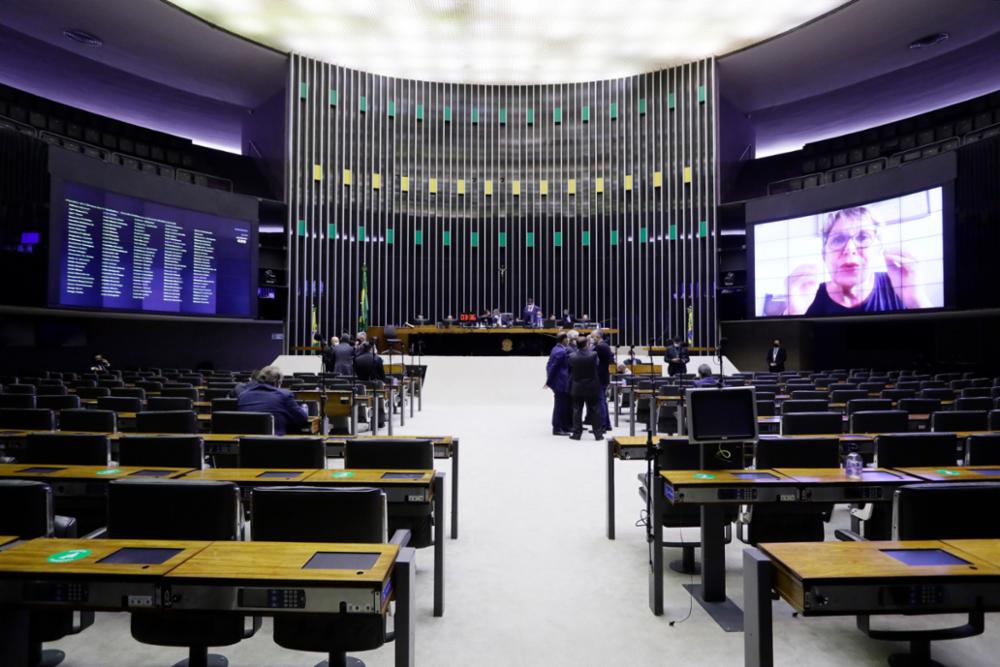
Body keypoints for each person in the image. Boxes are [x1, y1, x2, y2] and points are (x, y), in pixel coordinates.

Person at [804, 206, 929, 315]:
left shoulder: (899, 282)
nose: (850, 249)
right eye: (837, 240)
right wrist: (794, 311)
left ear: (878, 249)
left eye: (863, 237)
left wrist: (916, 301)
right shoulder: (809, 296)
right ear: (824, 255)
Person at [236, 366, 309, 436]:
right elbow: (302, 419)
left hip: (247, 445)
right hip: (275, 445)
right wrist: (304, 408)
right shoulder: (284, 395)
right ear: (277, 382)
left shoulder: (243, 396)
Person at [568, 338, 603, 440]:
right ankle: (598, 434)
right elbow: (597, 366)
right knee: (595, 410)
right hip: (592, 386)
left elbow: (570, 370)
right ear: (587, 344)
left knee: (577, 410)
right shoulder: (594, 355)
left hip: (577, 387)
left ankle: (576, 434)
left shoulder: (571, 356)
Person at [353, 342, 387, 428]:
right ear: (371, 349)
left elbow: (355, 372)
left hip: (361, 386)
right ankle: (380, 421)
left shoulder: (357, 359)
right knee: (379, 399)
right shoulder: (377, 358)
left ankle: (361, 417)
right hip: (375, 386)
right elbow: (382, 374)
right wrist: (383, 381)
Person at [544, 332, 572, 436]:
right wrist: (548, 382)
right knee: (560, 406)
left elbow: (548, 365)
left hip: (558, 381)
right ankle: (557, 428)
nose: (568, 340)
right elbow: (553, 368)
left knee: (562, 405)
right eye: (567, 339)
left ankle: (563, 426)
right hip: (560, 382)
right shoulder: (561, 352)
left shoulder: (555, 349)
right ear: (563, 339)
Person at [592, 330, 615, 433]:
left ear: (598, 337)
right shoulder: (606, 345)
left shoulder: (600, 347)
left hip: (600, 377)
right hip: (604, 376)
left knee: (600, 402)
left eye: (593, 337)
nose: (592, 339)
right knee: (603, 402)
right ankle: (607, 424)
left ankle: (602, 425)